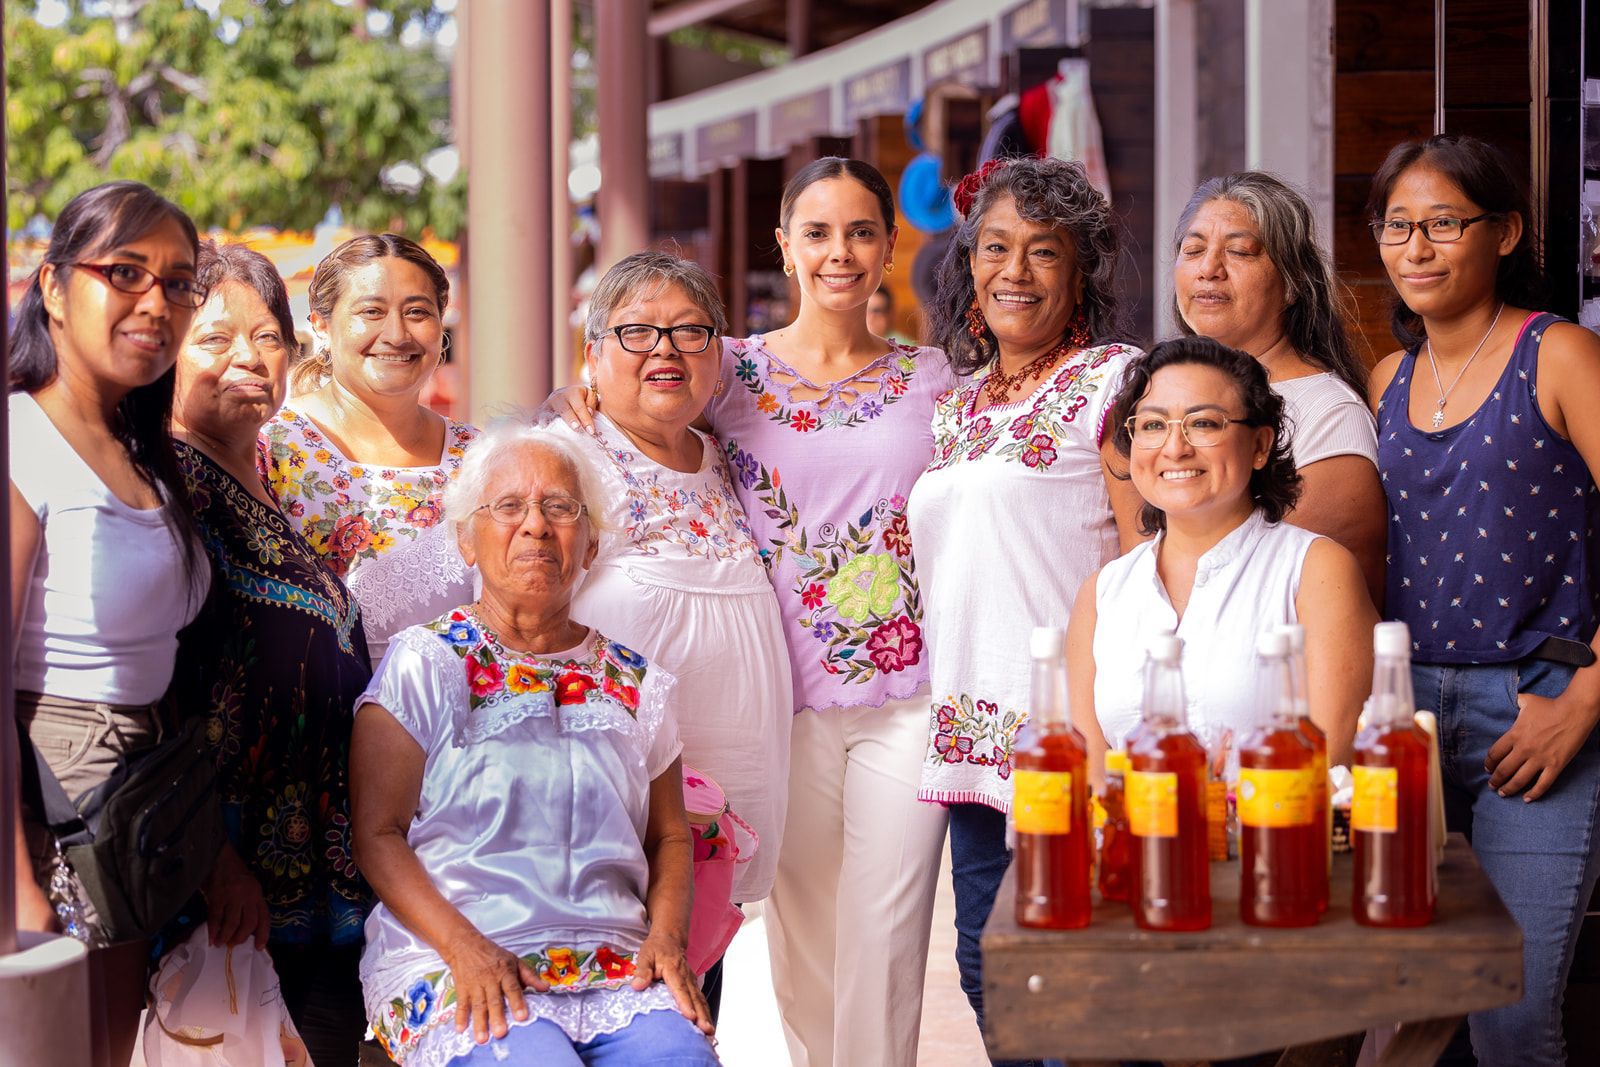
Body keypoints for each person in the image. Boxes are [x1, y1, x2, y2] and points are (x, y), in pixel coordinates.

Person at [553, 157, 953, 1067]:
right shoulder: (729, 368)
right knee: (805, 938)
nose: (840, 252)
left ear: (891, 245)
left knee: (887, 930)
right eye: (817, 232)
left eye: (860, 232)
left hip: (910, 694)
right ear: (785, 246)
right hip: (791, 700)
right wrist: (573, 399)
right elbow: (634, 382)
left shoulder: (936, 379)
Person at [349, 420, 718, 1067]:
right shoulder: (426, 661)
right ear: (467, 537)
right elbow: (377, 831)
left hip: (615, 965)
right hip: (457, 951)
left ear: (591, 542)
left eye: (560, 507)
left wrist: (666, 938)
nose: (536, 526)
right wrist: (465, 948)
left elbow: (670, 835)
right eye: (509, 506)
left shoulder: (638, 681)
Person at [1367, 133, 1600, 1066]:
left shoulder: (1561, 354)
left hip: (1535, 711)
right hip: (1406, 720)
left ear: (1503, 232)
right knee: (1409, 1014)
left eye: (1442, 223)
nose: (1416, 247)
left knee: (1510, 1018)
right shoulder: (1385, 379)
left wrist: (1584, 702)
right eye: (1396, 226)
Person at [908, 155, 1144, 1065]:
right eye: (996, 248)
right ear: (968, 265)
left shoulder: (1114, 383)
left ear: (1079, 269)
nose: (1015, 270)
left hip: (1074, 732)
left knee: (1085, 987)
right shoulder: (953, 406)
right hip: (971, 733)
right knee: (983, 966)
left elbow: (1143, 558)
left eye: (1042, 252)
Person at [546, 249, 791, 1014]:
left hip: (720, 829)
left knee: (693, 1014)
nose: (666, 349)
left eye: (690, 332)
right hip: (607, 828)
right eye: (638, 331)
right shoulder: (564, 461)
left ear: (719, 355)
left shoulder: (725, 458)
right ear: (593, 355)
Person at [8, 180, 210, 1066]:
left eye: (177, 283)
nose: (154, 302)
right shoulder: (20, 441)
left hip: (140, 821)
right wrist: (16, 894)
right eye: (124, 272)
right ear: (53, 287)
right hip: (54, 822)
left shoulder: (139, 451)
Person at [166, 241, 374, 1065]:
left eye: (268, 337)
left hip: (319, 891)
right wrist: (213, 863)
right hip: (228, 891)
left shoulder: (269, 482)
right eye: (215, 337)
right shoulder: (170, 488)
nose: (248, 358)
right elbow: (153, 697)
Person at [1067, 336, 1374, 772]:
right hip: (1132, 839)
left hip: (1277, 837)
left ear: (1260, 446)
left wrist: (1205, 806)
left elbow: (1329, 759)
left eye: (1204, 424)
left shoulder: (1316, 571)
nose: (1175, 448)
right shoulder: (1102, 594)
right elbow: (1092, 777)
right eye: (1153, 425)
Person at [262, 234, 479, 664]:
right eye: (371, 312)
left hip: (452, 715)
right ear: (321, 325)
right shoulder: (272, 446)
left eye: (417, 312)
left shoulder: (480, 456)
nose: (397, 335)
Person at [1171, 171, 1385, 605]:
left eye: (1239, 252)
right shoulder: (1161, 397)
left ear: (1292, 284)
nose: (1208, 269)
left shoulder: (1328, 415)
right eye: (1193, 250)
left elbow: (1275, 590)